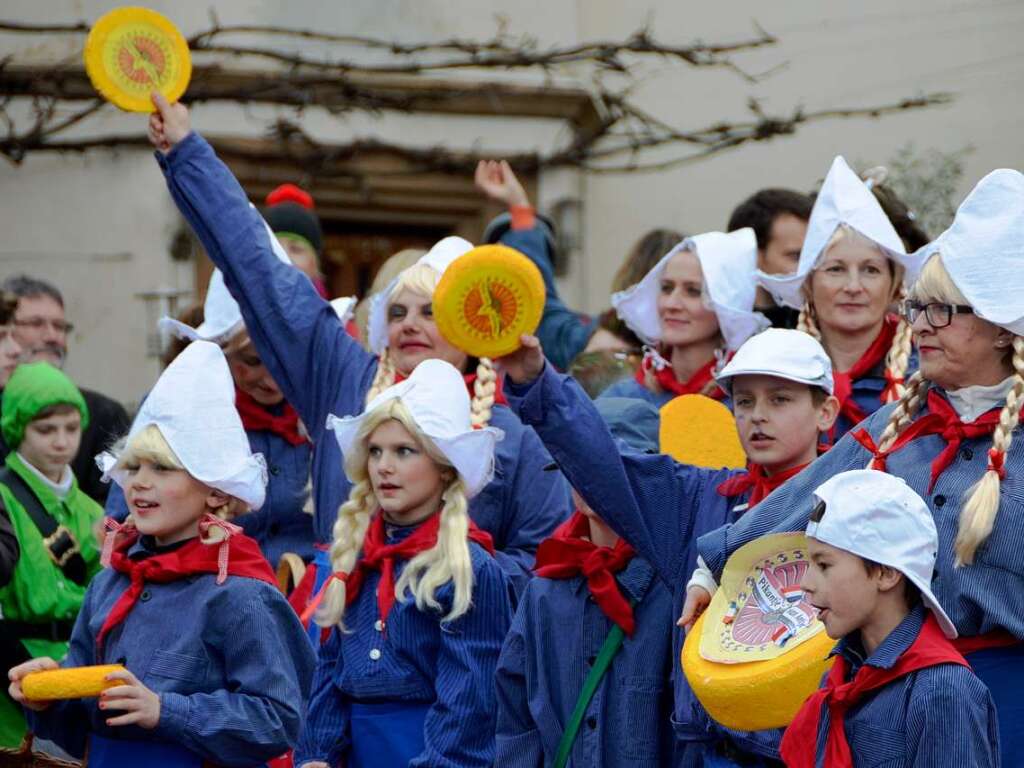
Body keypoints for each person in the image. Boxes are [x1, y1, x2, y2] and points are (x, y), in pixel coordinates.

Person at [146, 94, 570, 603]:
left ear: (474, 328)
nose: (410, 323)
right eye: (397, 311)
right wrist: (187, 154)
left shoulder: (516, 430)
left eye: (431, 312)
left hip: (458, 658)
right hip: (334, 644)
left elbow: (543, 565)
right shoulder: (343, 377)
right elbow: (261, 272)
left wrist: (442, 567)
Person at [695, 168, 1024, 765]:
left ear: (1002, 328)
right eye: (918, 306)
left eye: (943, 310)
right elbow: (795, 504)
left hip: (1013, 704)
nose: (919, 324)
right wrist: (709, 573)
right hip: (891, 699)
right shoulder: (895, 426)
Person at [499, 328, 839, 766]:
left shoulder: (857, 500)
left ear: (826, 411)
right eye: (745, 401)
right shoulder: (702, 498)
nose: (758, 416)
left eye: (780, 400)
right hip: (713, 755)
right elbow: (602, 464)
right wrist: (537, 383)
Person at [7, 340, 315, 766]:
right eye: (133, 467)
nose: (138, 483)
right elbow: (83, 722)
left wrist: (166, 711)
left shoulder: (241, 594)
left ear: (214, 490)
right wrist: (48, 697)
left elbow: (278, 719)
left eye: (163, 468)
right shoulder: (109, 583)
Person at [296, 359, 512, 768]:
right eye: (375, 451)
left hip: (429, 753)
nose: (383, 466)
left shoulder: (469, 571)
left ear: (444, 467)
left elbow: (469, 705)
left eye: (404, 451)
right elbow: (329, 674)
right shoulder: (355, 560)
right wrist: (317, 756)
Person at [494, 397, 675, 767]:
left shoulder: (674, 586)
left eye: (608, 467)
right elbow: (517, 718)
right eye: (579, 467)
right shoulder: (544, 590)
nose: (591, 481)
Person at [106, 250, 314, 568]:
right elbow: (128, 518)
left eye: (283, 363)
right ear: (222, 351)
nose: (271, 379)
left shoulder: (321, 411)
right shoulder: (176, 408)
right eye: (253, 362)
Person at [781, 470, 998, 767]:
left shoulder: (942, 693)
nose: (806, 582)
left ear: (886, 573)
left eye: (823, 564)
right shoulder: (842, 676)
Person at [755, 157, 918, 442]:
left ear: (894, 286)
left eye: (870, 270)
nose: (853, 286)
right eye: (835, 269)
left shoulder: (928, 377)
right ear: (808, 284)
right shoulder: (767, 370)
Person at [477, 159, 677, 371]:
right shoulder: (708, 366)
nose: (674, 303)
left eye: (691, 290)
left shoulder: (586, 342)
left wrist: (520, 208)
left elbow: (541, 306)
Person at [0, 362, 103, 748]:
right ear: (16, 427)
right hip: (13, 675)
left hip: (77, 678)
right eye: (45, 429)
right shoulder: (3, 500)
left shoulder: (94, 512)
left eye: (72, 428)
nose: (61, 441)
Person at [600, 229, 769, 406]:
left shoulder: (748, 403)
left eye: (693, 292)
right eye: (666, 288)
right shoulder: (623, 398)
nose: (671, 304)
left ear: (727, 305)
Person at [1, 275, 131, 504]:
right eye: (36, 323)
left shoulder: (104, 413)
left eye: (59, 326)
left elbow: (115, 510)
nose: (52, 337)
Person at [727, 187, 813, 329]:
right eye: (797, 257)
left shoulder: (823, 320)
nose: (813, 267)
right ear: (753, 257)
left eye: (817, 255)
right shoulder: (720, 334)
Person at [264, 182, 329, 298]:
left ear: (315, 264)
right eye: (274, 248)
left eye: (296, 249)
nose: (283, 258)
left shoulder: (337, 315)